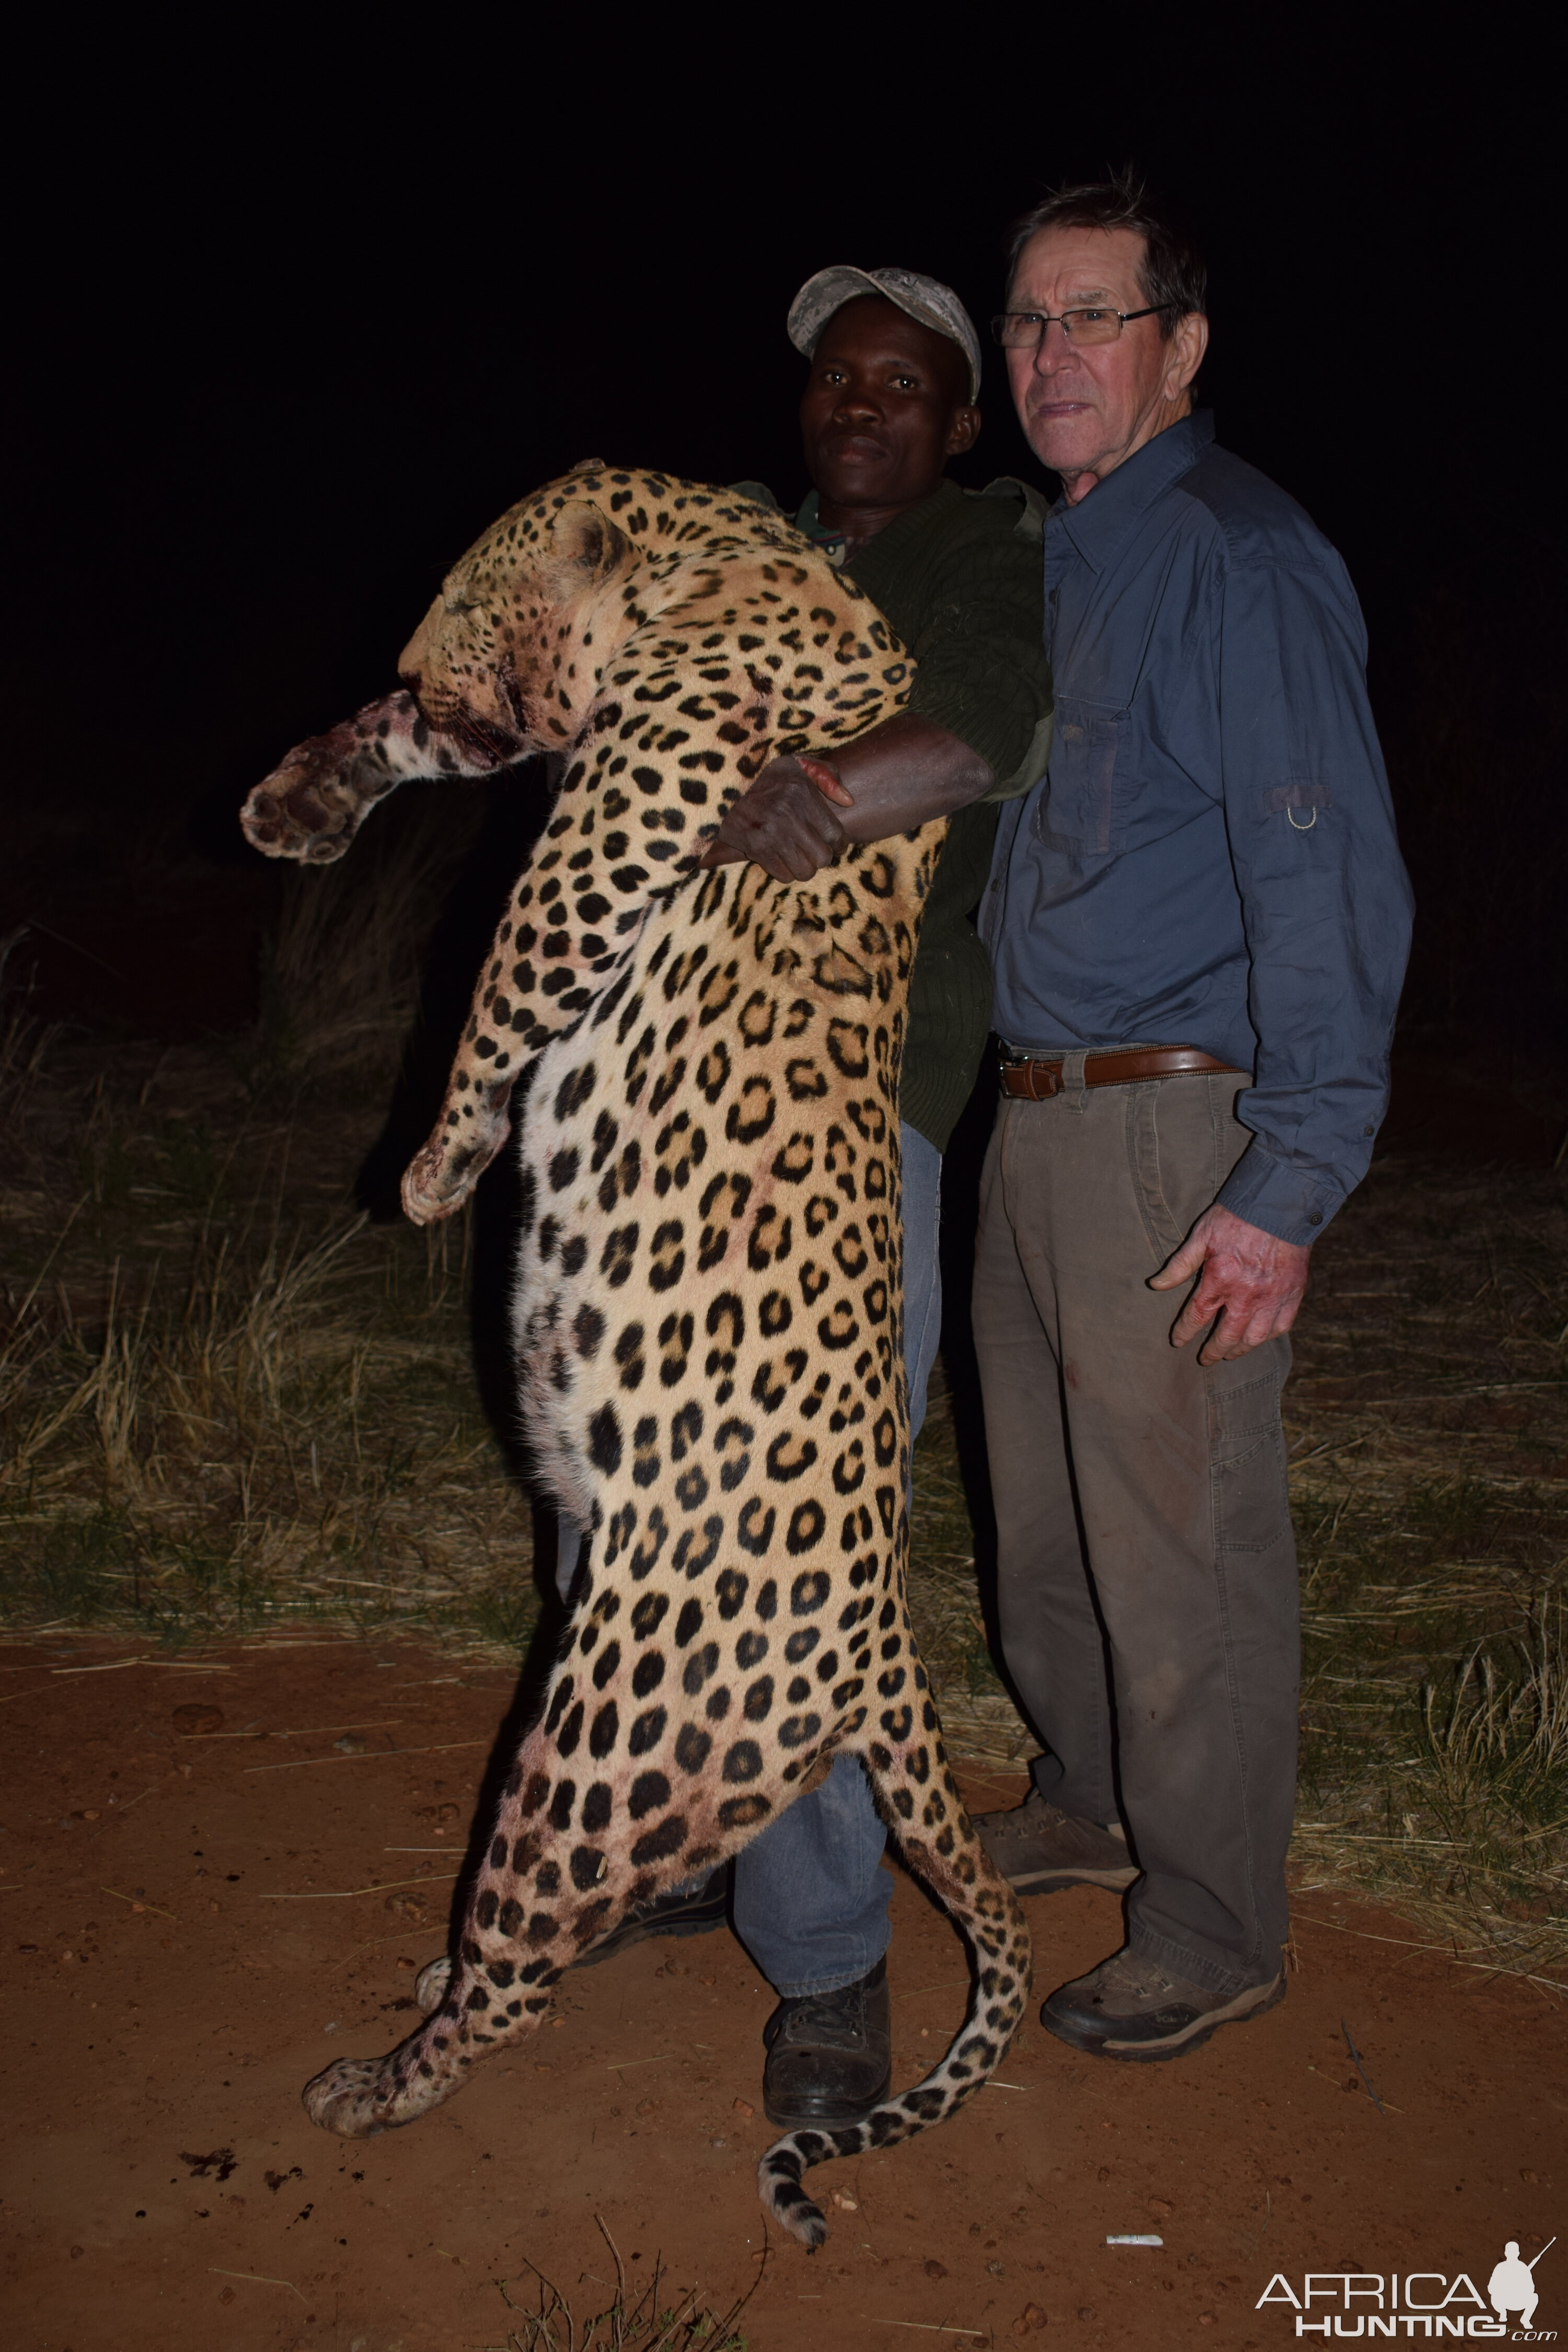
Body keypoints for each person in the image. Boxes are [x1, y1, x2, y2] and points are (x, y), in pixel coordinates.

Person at [556, 266, 1052, 2132]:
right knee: (622, 1490)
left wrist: (829, 785)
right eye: (839, 377)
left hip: (847, 1108)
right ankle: (672, 1839)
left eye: (903, 383)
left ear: (957, 418)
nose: (865, 404)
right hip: (657, 1087)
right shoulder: (729, 546)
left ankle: (832, 1952)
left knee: (786, 1532)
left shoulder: (977, 559)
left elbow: (984, 734)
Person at [967, 174, 1413, 2060]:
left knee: (1185, 1536)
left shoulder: (1240, 555)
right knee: (1047, 1517)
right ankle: (1089, 1792)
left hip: (1173, 1118)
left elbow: (1323, 878)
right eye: (1031, 321)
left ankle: (1216, 1912)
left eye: (1095, 316)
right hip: (1032, 1117)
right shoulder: (1046, 558)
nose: (1054, 354)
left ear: (1183, 347)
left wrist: (1291, 1179)